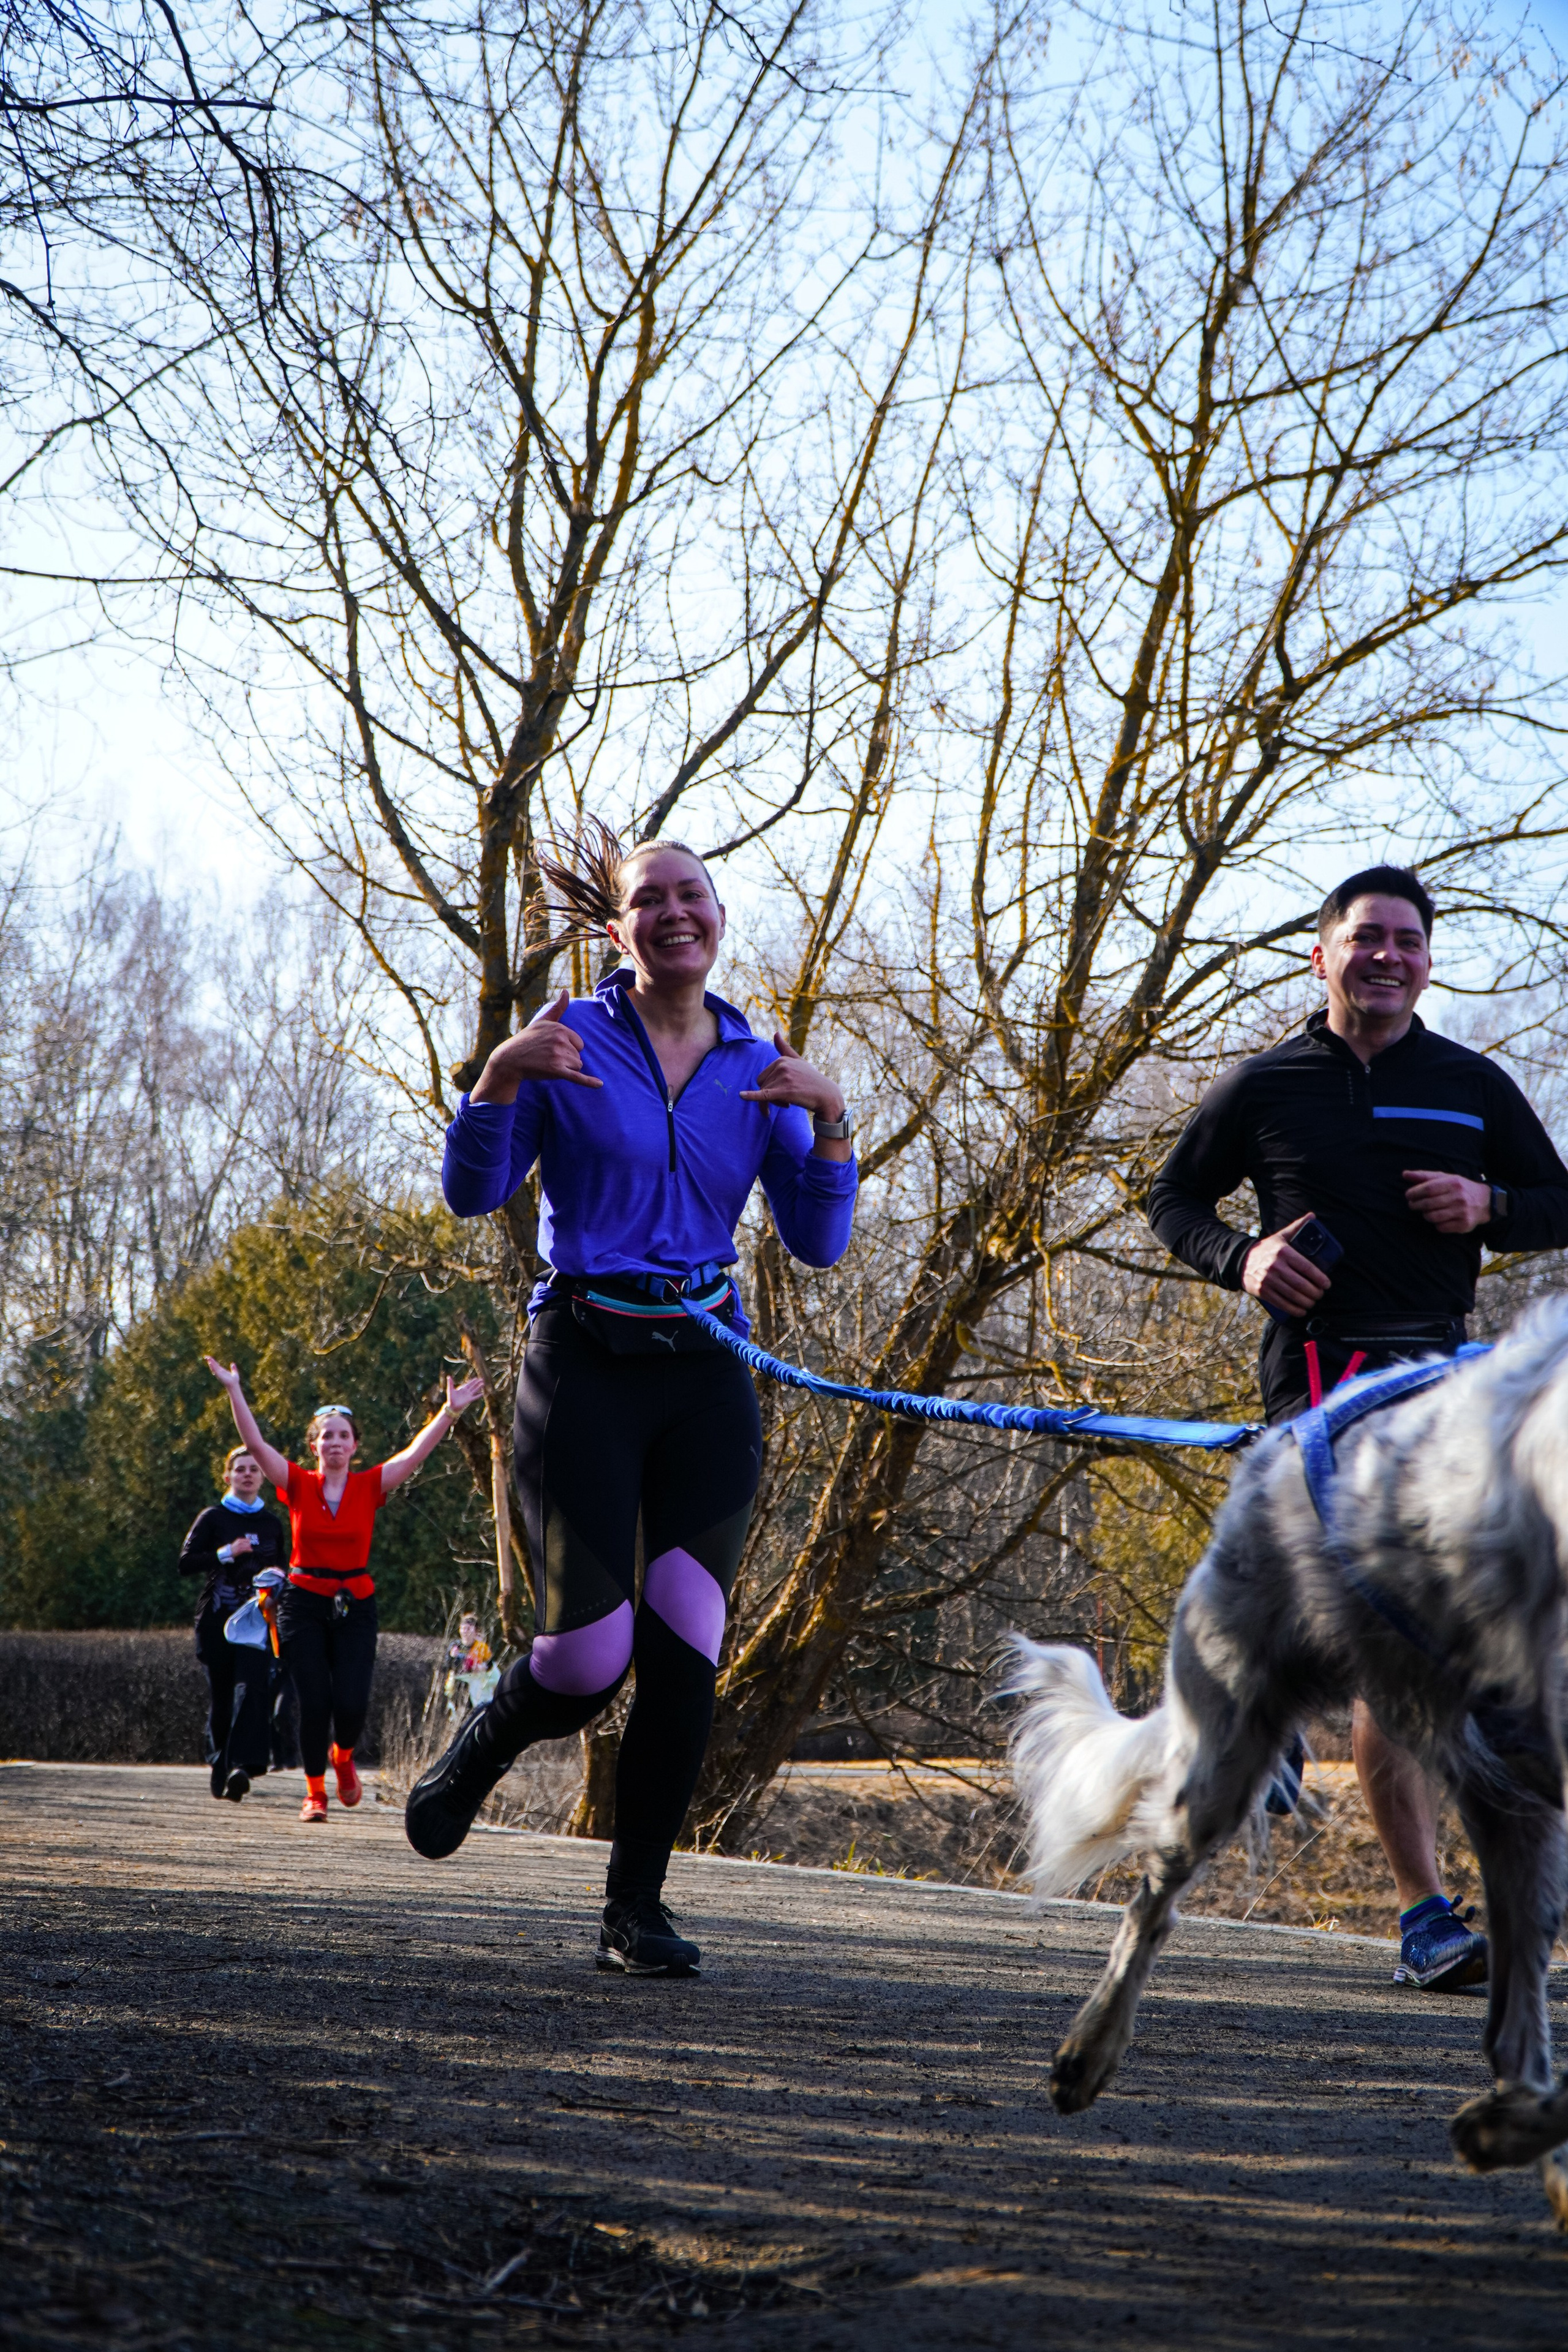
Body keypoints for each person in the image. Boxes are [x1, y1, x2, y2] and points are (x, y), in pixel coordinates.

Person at [405, 824, 858, 1977]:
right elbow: (472, 1193)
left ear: (718, 918)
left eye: (691, 894)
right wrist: (500, 1078)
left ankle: (634, 1912)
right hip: (586, 1360)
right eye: (649, 899)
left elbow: (817, 1242)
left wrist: (832, 1122)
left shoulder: (758, 1062)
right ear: (618, 929)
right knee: (583, 1662)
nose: (674, 912)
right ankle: (487, 1742)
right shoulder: (570, 1041)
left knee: (687, 1649)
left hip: (705, 1371)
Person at [1148, 864, 1568, 1992]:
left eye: (1407, 941)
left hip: (1446, 1386)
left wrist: (1492, 1207)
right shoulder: (1265, 1083)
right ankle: (1426, 1916)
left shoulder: (1471, 1083)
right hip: (1320, 1387)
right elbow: (1171, 1200)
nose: (1387, 956)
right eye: (1366, 937)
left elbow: (1561, 1201)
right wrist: (1241, 1260)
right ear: (1321, 954)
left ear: (1427, 963)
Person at [203, 1363, 483, 1821]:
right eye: (326, 1436)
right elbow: (255, 1445)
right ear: (314, 1445)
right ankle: (315, 1793)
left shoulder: (370, 1486)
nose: (334, 1442)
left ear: (354, 1446)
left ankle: (344, 1755)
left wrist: (449, 1413)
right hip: (302, 1602)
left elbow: (414, 1455)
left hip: (355, 1602)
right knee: (314, 1702)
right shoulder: (298, 1483)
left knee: (351, 1702)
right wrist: (235, 1389)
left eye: (343, 1435)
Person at [178, 1446, 288, 1802]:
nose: (248, 1474)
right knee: (223, 1696)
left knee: (252, 1690)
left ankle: (243, 1766)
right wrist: (226, 1553)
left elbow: (284, 1568)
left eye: (255, 1469)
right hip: (216, 1619)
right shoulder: (213, 1517)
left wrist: (277, 1589)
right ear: (227, 1476)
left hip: (257, 1622)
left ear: (263, 1477)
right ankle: (220, 1764)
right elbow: (185, 1562)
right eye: (241, 1469)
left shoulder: (272, 1524)